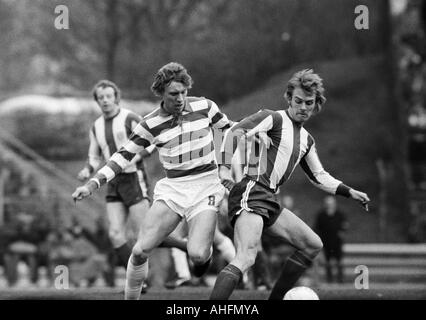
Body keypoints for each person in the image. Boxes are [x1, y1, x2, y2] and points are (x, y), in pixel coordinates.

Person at [72, 62, 232, 300]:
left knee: (198, 255)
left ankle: (201, 259)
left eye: (183, 92)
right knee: (139, 250)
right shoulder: (150, 123)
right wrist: (92, 184)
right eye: (173, 94)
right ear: (161, 94)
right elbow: (122, 156)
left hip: (206, 185)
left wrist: (226, 167)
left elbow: (228, 130)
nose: (180, 99)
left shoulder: (205, 106)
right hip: (173, 188)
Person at [210, 68, 370, 300]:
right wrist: (224, 167)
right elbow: (236, 131)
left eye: (309, 102)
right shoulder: (273, 118)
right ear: (289, 98)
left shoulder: (307, 139)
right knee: (246, 256)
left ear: (316, 104)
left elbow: (319, 176)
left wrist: (350, 192)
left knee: (313, 244)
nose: (303, 107)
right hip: (251, 190)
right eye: (298, 101)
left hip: (269, 198)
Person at [76, 80, 186, 284]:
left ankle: (184, 246)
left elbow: (154, 143)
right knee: (116, 234)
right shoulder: (97, 126)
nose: (106, 100)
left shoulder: (129, 118)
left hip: (134, 178)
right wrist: (86, 170)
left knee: (145, 234)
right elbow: (94, 156)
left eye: (109, 96)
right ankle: (136, 280)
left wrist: (134, 157)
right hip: (113, 181)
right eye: (101, 97)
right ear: (97, 101)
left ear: (116, 97)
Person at [314, 195, 348, 283]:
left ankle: (341, 279)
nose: (329, 205)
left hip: (337, 242)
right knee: (327, 262)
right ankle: (329, 279)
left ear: (334, 204)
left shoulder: (339, 214)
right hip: (325, 242)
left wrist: (342, 232)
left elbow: (344, 226)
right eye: (327, 203)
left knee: (339, 262)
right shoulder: (321, 215)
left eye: (331, 203)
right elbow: (317, 228)